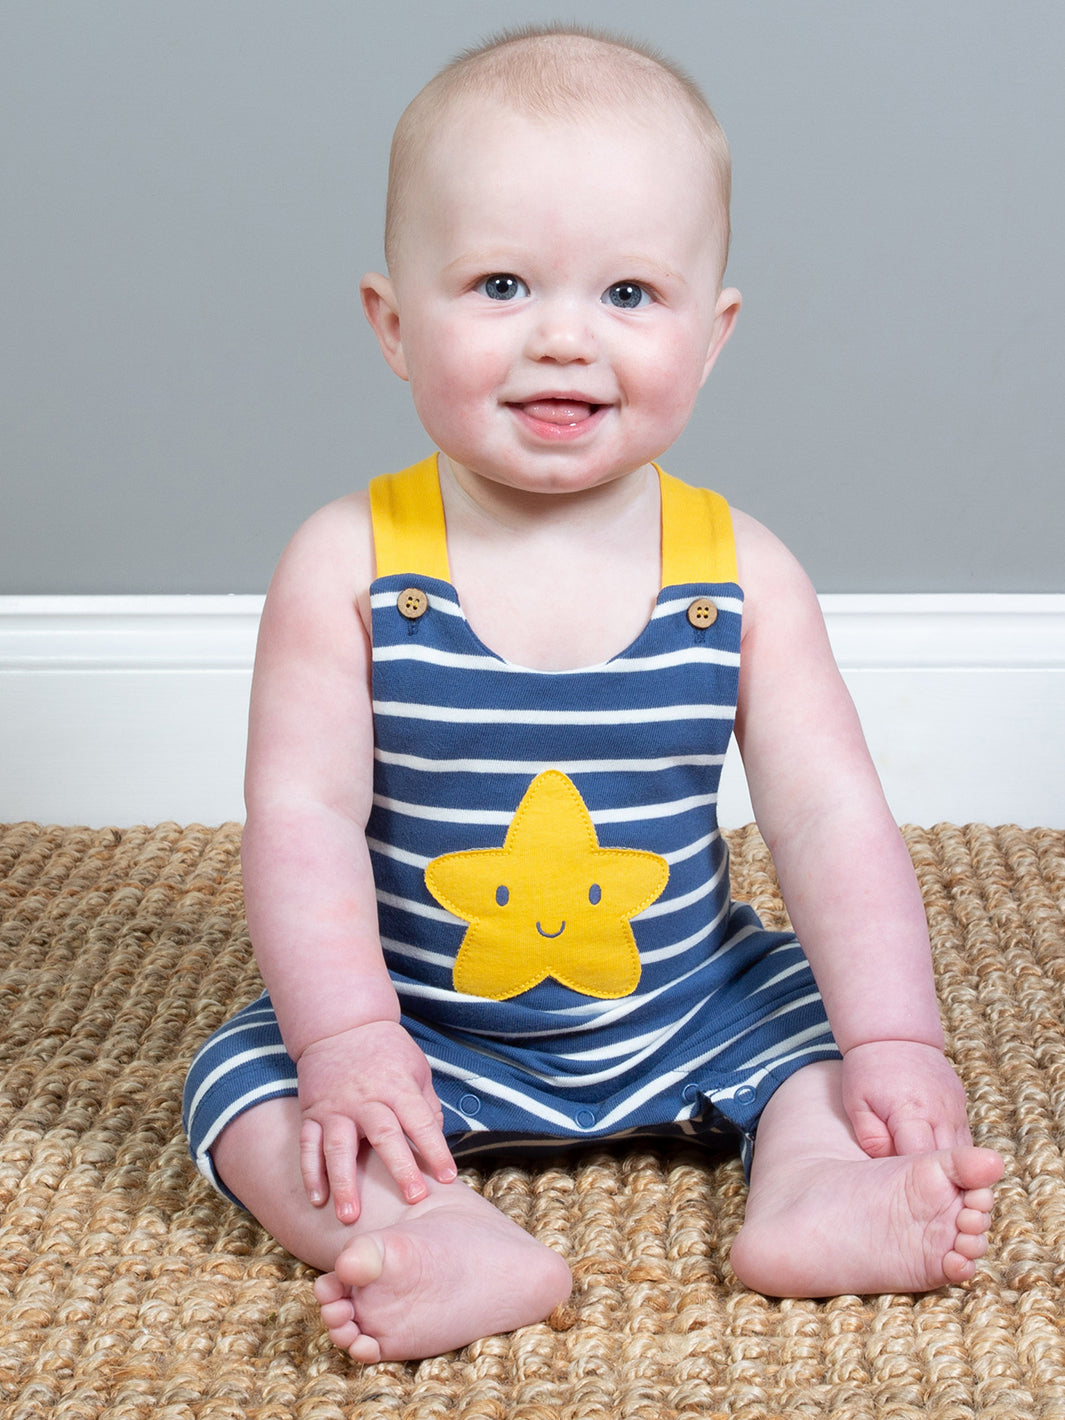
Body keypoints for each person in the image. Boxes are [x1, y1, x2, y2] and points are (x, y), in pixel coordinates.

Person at [182, 25, 1003, 1364]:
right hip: (420, 1018)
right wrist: (345, 1038)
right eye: (499, 285)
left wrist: (899, 1039)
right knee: (247, 1087)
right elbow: (302, 821)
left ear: (712, 334)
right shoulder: (349, 564)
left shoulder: (738, 571)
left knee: (823, 1030)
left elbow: (826, 821)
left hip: (688, 1003)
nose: (565, 338)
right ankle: (428, 1227)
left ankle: (814, 1188)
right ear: (394, 322)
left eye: (629, 294)